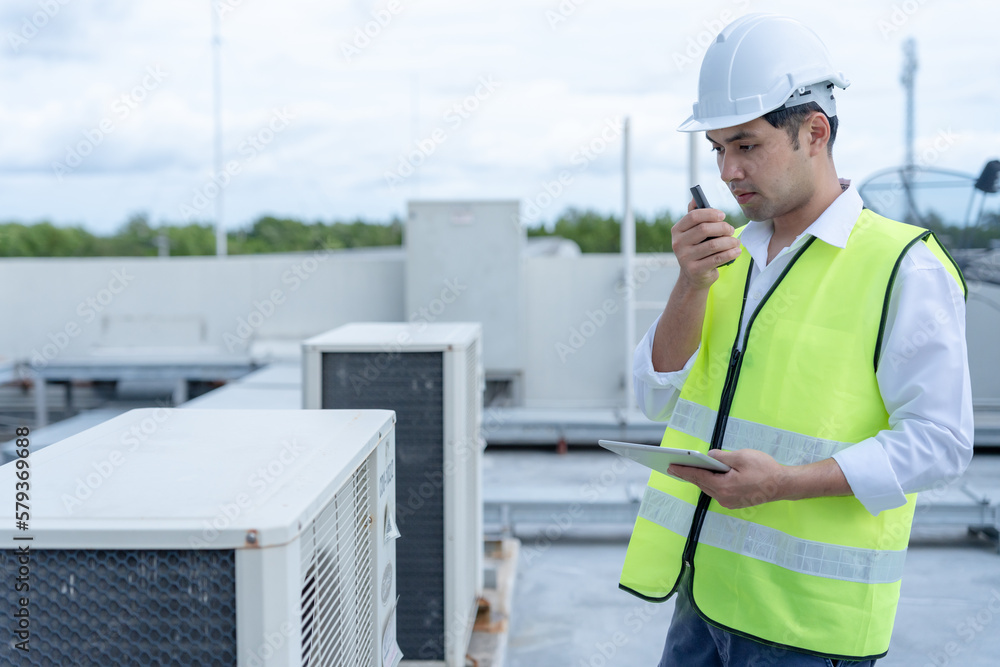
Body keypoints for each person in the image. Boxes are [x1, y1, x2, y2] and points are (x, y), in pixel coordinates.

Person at [620, 13, 974, 667]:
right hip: (702, 602)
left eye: (747, 145)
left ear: (815, 131)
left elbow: (942, 443)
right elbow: (653, 396)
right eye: (718, 148)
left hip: (810, 633)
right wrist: (689, 285)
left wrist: (785, 482)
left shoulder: (905, 267)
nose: (728, 170)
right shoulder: (726, 258)